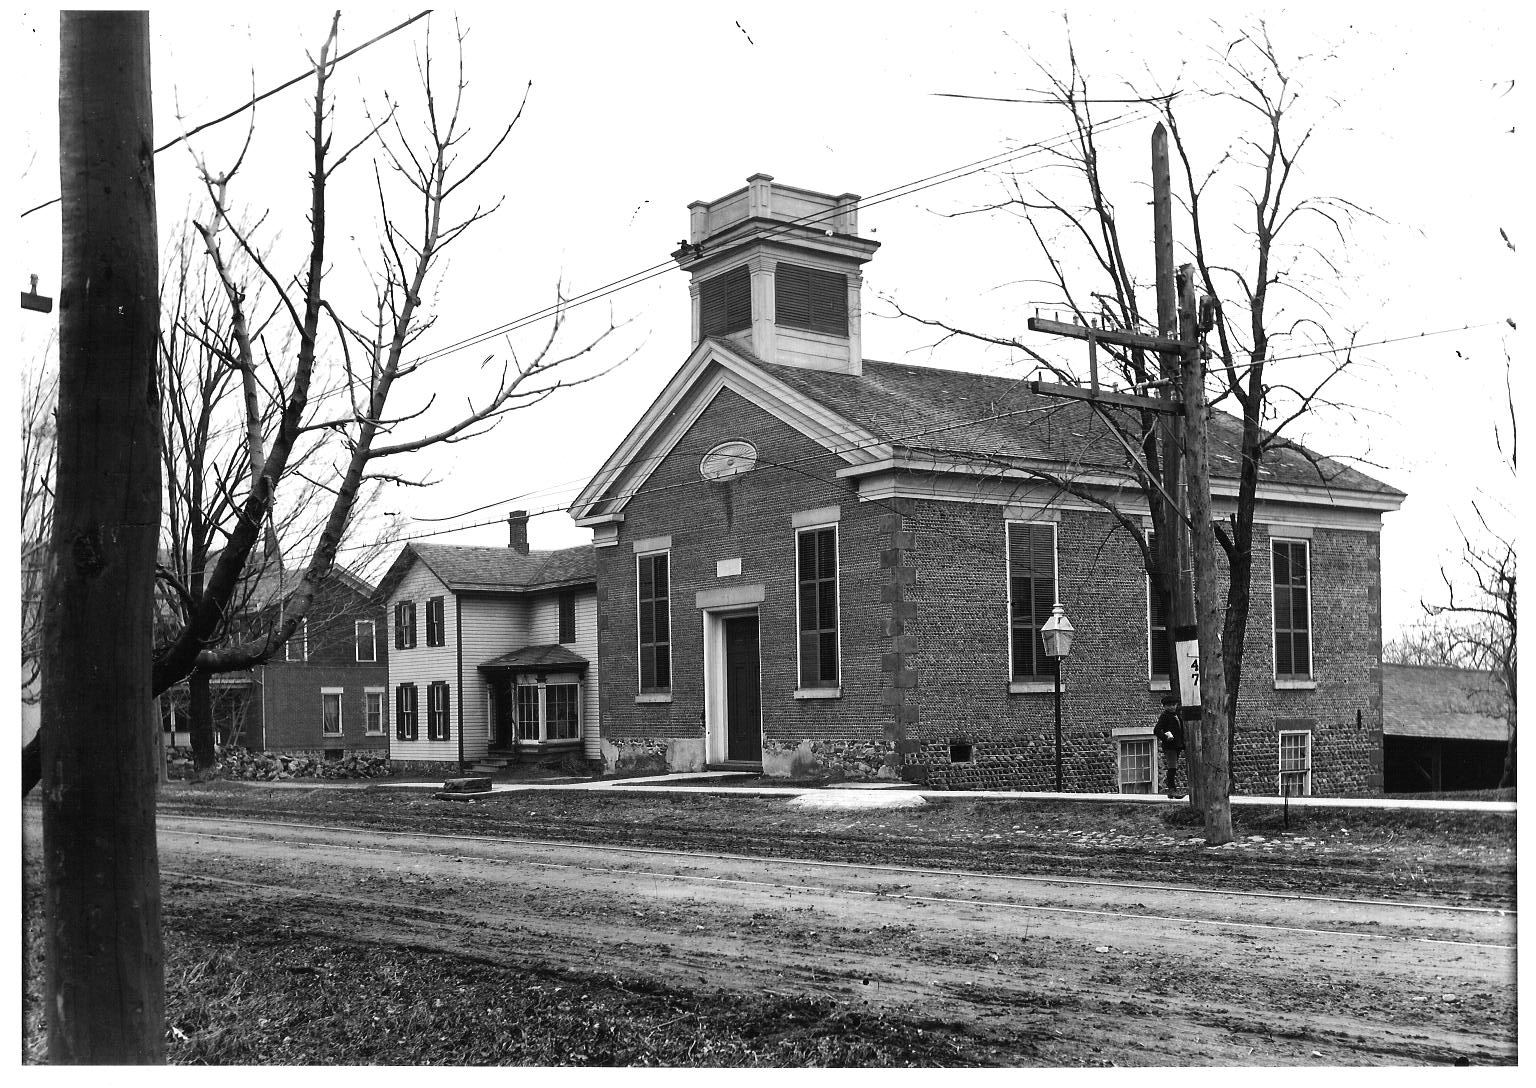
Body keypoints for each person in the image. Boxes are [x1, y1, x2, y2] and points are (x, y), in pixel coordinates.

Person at [1153, 694, 1184, 797]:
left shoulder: (1177, 715)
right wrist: (1165, 738)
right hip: (1170, 746)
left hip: (1177, 745)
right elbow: (1156, 730)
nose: (1171, 707)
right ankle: (1171, 788)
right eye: (1169, 705)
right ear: (1165, 706)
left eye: (1173, 705)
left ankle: (1171, 790)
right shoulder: (1165, 716)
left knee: (1173, 767)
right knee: (1172, 768)